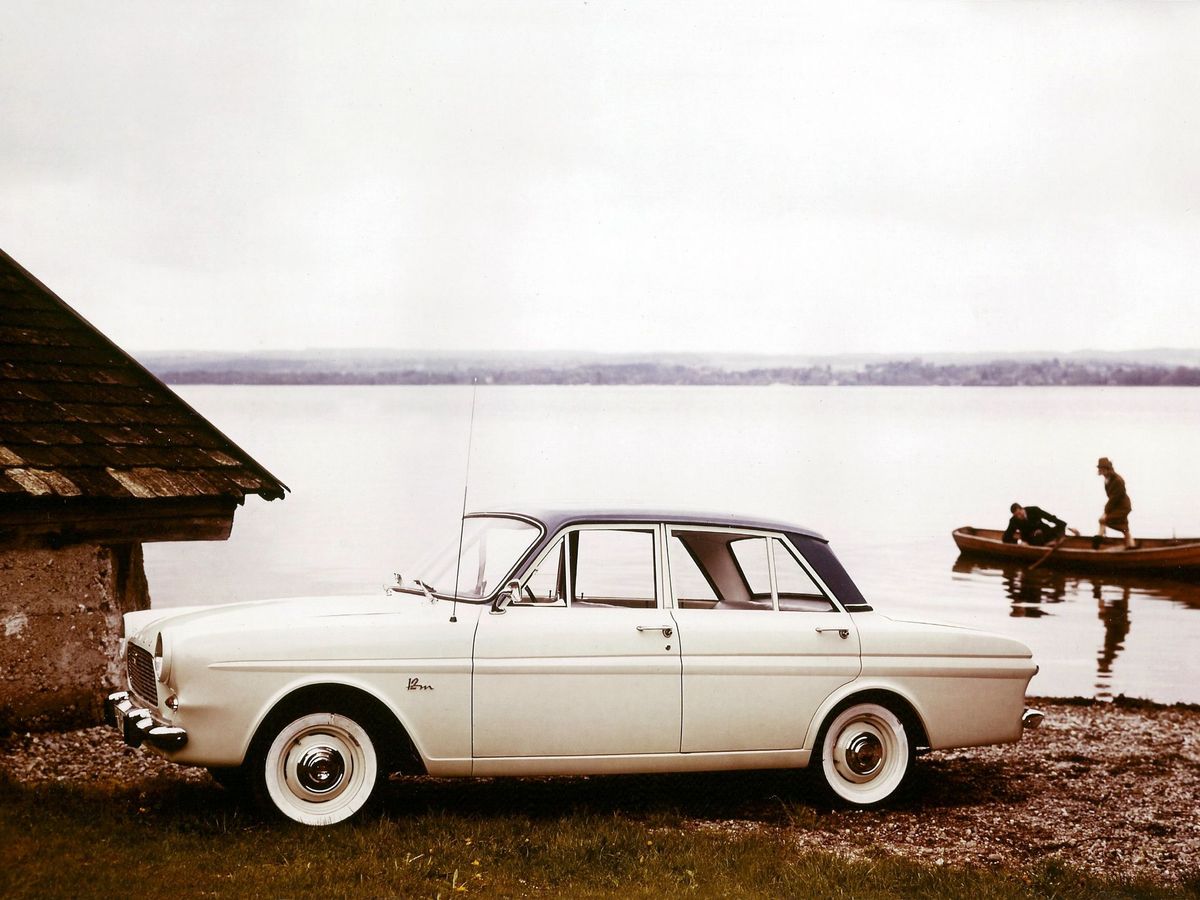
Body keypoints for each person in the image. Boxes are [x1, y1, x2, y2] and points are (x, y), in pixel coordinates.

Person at [1096, 456, 1134, 549]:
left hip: (1122, 507)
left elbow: (1114, 498)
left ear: (1108, 468)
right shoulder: (1107, 479)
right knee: (1124, 527)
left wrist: (1105, 512)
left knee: (1103, 520)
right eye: (1100, 468)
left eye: (1103, 468)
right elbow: (1112, 498)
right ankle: (1131, 546)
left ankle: (1097, 543)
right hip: (1117, 505)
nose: (1101, 471)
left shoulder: (1117, 480)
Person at [1002, 503, 1071, 546]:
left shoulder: (1034, 510)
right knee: (1037, 537)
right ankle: (1050, 543)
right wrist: (1019, 542)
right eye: (1016, 515)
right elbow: (1006, 537)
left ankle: (1053, 541)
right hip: (1031, 540)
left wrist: (1068, 527)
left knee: (1060, 527)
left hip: (1045, 533)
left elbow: (1050, 518)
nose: (1019, 516)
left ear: (1022, 509)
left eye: (1020, 513)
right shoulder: (1013, 520)